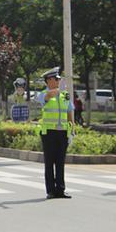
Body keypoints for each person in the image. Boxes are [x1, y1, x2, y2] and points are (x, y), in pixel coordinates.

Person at [36, 67, 74, 199]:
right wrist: (56, 91)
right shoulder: (42, 94)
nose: (58, 81)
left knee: (60, 162)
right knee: (49, 162)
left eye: (58, 79)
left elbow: (69, 112)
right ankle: (51, 191)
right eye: (56, 79)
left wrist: (72, 130)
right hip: (49, 133)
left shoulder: (65, 95)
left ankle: (60, 190)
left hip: (62, 132)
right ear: (49, 80)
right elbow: (46, 97)